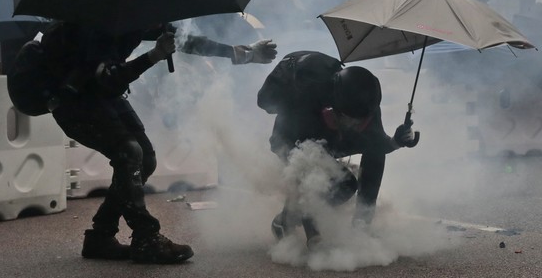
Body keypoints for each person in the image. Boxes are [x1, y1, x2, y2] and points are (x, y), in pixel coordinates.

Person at [27, 21, 277, 264]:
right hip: (73, 102)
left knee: (145, 158)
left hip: (101, 96)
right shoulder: (97, 25)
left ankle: (100, 236)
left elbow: (186, 40)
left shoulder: (139, 16)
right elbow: (109, 78)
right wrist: (154, 56)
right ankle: (146, 239)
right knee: (128, 152)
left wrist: (241, 53)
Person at [256, 50, 419, 248]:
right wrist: (314, 235)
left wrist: (396, 141)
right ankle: (286, 220)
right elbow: (305, 174)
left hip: (330, 137)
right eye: (350, 119)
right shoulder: (306, 94)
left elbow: (376, 145)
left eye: (361, 121)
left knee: (371, 156)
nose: (357, 126)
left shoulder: (366, 104)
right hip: (292, 139)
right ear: (332, 108)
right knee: (343, 186)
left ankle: (359, 226)